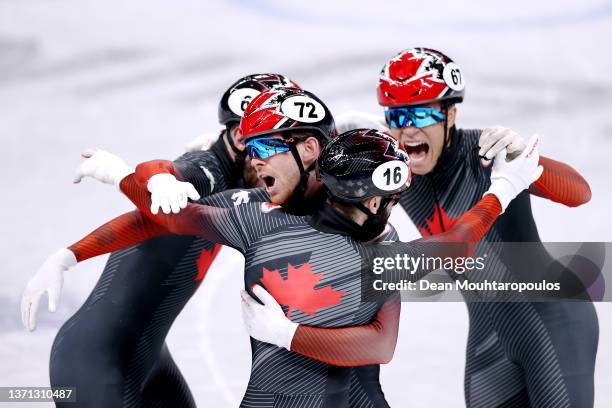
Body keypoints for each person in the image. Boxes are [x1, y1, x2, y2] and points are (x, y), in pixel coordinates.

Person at [73, 86, 541, 407]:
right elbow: (171, 214)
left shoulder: (376, 247)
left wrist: (289, 335)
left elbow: (383, 343)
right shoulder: (256, 214)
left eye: (264, 150)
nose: (254, 166)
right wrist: (120, 182)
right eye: (250, 151)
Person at [21, 73, 299, 408]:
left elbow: (146, 223)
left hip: (148, 357)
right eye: (279, 142)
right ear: (242, 138)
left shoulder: (240, 171)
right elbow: (163, 171)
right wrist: (147, 177)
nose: (286, 155)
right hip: (94, 362)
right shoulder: (204, 170)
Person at [343, 47, 596, 407]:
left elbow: (580, 193)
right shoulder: (395, 169)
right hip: (489, 331)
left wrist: (529, 158)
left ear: (451, 114)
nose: (409, 127)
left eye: (423, 112)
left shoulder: (486, 155)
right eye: (398, 115)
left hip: (554, 319)